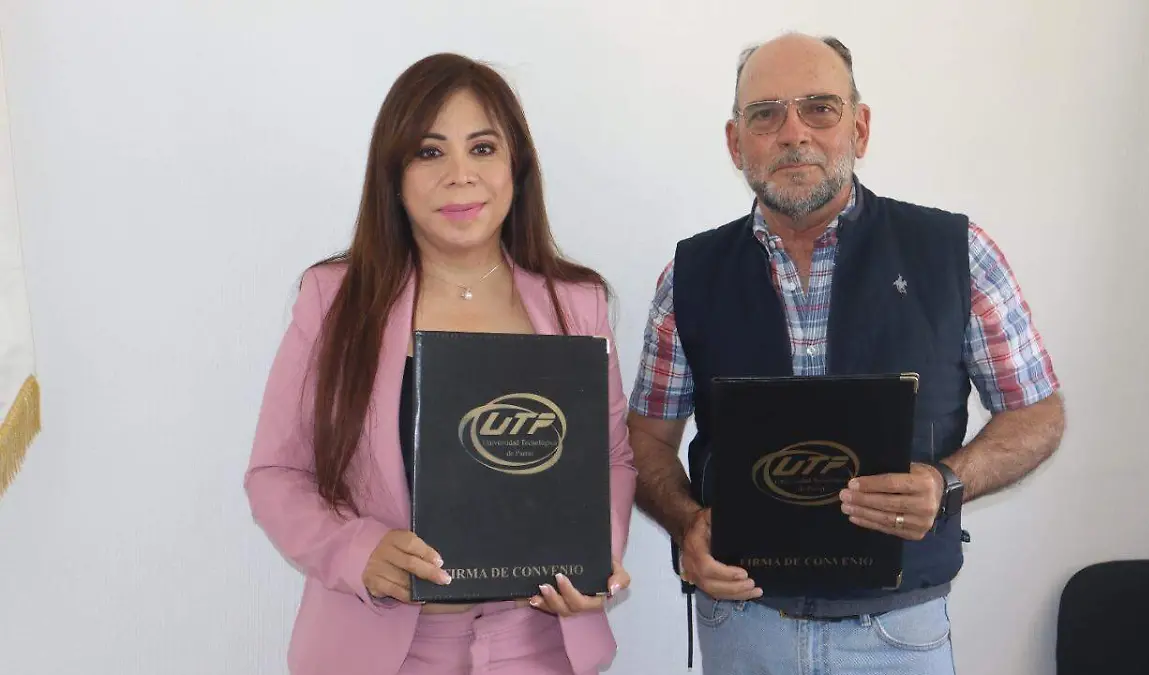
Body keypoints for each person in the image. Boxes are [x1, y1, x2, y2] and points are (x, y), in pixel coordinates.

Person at [627, 32, 1065, 674]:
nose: (793, 133)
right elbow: (644, 440)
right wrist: (686, 522)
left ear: (859, 128)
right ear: (735, 142)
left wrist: (946, 482)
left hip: (898, 634)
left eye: (819, 108)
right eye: (765, 114)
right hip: (741, 628)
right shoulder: (688, 278)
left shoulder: (958, 255)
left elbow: (1038, 415)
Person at [244, 53, 635, 675]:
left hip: (538, 649)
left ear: (516, 167)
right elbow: (276, 473)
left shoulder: (577, 302)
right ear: (393, 175)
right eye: (430, 152)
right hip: (381, 651)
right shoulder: (335, 300)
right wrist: (357, 552)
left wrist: (594, 554)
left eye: (482, 148)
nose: (460, 175)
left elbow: (611, 459)